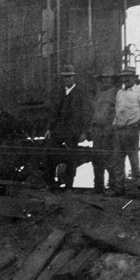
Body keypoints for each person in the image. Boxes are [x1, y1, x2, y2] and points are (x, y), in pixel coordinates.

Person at [43, 64, 91, 192]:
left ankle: (69, 186)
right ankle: (50, 184)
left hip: (73, 132)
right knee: (49, 154)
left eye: (69, 77)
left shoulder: (80, 93)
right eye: (65, 77)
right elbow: (54, 112)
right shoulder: (59, 93)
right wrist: (49, 128)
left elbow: (86, 114)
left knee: (70, 158)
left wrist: (84, 132)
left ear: (74, 78)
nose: (67, 79)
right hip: (58, 130)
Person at [110, 66, 140, 195]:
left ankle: (136, 187)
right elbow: (117, 112)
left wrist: (138, 128)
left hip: (132, 129)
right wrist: (115, 126)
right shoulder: (120, 93)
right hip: (119, 129)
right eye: (123, 76)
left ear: (134, 78)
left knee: (133, 158)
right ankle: (119, 188)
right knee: (118, 160)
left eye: (128, 76)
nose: (125, 79)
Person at [88, 68, 118, 194]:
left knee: (109, 158)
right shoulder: (99, 94)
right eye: (103, 78)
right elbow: (95, 112)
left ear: (112, 79)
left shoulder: (116, 93)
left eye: (108, 78)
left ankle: (112, 186)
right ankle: (98, 186)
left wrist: (110, 128)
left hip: (108, 129)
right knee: (96, 159)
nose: (106, 80)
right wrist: (91, 128)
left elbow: (115, 113)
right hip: (97, 130)